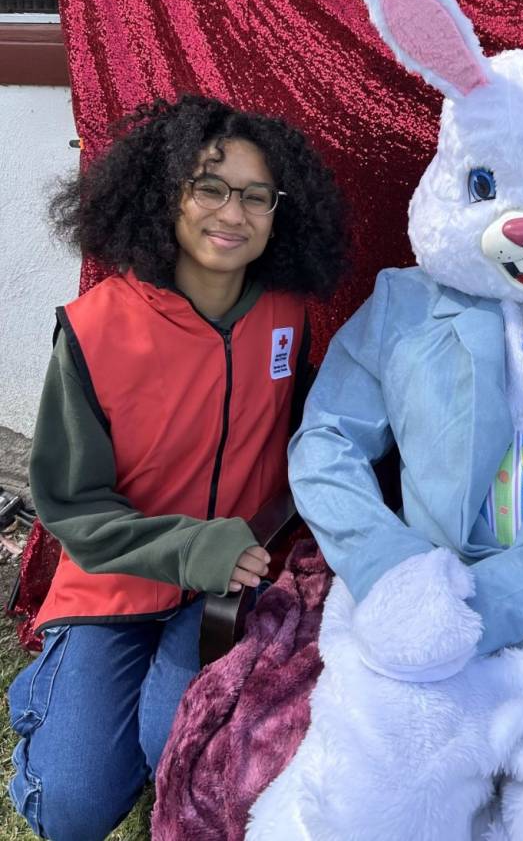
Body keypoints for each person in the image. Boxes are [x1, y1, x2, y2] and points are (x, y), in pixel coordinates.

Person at [7, 94, 346, 841]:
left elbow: (310, 432)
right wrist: (191, 546)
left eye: (257, 195)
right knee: (71, 806)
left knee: (178, 749)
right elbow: (70, 504)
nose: (235, 211)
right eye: (210, 186)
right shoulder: (96, 328)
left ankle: (115, 709)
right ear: (167, 194)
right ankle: (52, 691)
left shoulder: (287, 312)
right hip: (116, 582)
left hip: (229, 584)